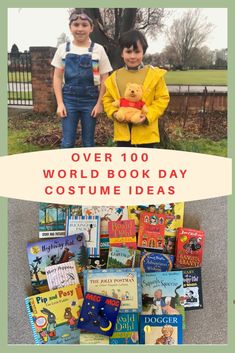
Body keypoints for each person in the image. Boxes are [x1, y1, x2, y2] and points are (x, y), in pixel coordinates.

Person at [51, 11, 112, 148]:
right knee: (67, 142)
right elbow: (57, 76)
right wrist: (60, 103)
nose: (80, 28)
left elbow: (105, 77)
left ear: (91, 28)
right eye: (76, 24)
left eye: (84, 25)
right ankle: (66, 169)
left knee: (89, 142)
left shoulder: (98, 49)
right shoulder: (63, 49)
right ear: (70, 27)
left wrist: (99, 103)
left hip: (90, 101)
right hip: (69, 100)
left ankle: (88, 169)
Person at [103, 29, 170, 147]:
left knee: (145, 166)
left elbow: (162, 99)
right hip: (123, 134)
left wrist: (147, 116)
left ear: (143, 52)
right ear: (122, 53)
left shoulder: (155, 75)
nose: (132, 56)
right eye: (128, 51)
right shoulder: (114, 77)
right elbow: (107, 100)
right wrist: (114, 113)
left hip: (146, 134)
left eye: (137, 51)